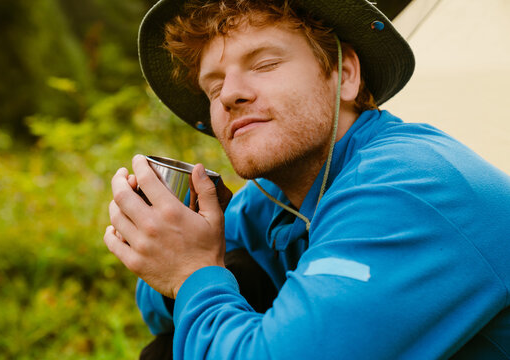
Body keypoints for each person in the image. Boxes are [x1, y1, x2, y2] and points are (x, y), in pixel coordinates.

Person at [103, 0, 510, 358]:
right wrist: (178, 248)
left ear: (346, 75)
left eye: (264, 64)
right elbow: (160, 314)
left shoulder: (405, 186)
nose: (229, 95)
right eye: (213, 87)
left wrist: (191, 271)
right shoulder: (275, 198)